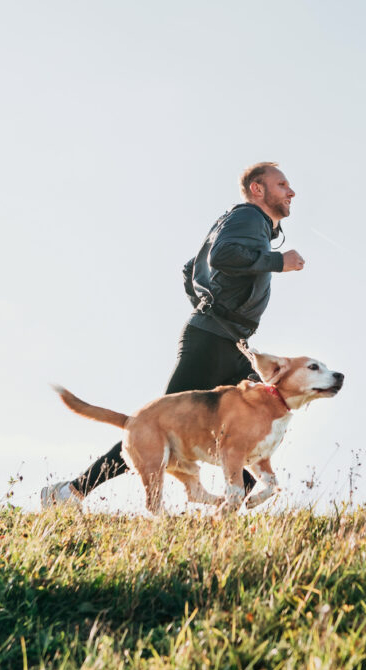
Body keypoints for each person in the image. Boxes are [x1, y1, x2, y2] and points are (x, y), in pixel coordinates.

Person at [41, 162, 305, 508]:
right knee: (156, 427)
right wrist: (276, 262)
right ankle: (70, 493)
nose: (291, 192)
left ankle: (232, 506)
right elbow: (224, 256)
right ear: (258, 189)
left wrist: (210, 304)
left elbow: (190, 268)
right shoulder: (249, 219)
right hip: (212, 340)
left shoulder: (243, 224)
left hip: (225, 339)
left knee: (256, 415)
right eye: (282, 184)